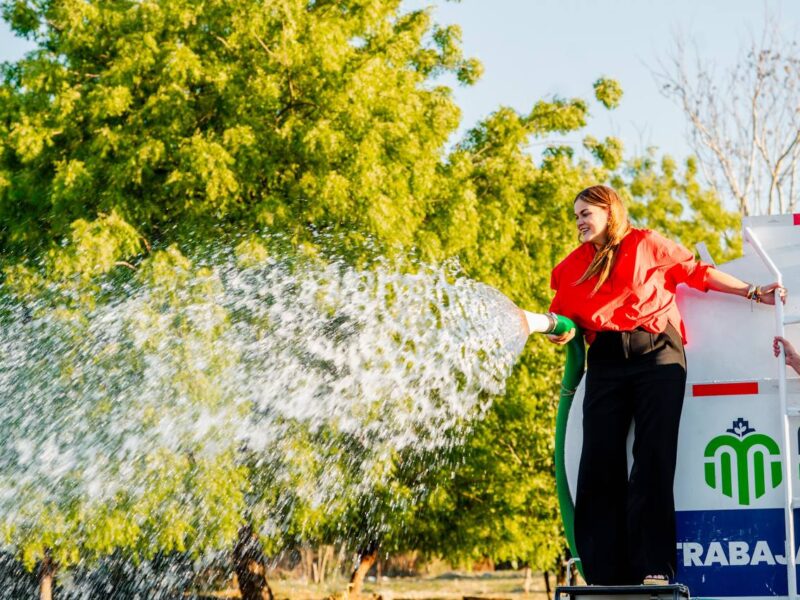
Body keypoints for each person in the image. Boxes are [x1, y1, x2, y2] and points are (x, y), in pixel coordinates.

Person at [547, 185, 785, 586]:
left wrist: (750, 291)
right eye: (576, 216)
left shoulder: (646, 244)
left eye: (587, 213)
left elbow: (697, 272)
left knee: (653, 460)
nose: (580, 222)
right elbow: (564, 321)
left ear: (610, 211)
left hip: (657, 352)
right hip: (604, 359)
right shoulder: (573, 267)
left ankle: (653, 569)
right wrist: (560, 334)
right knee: (597, 462)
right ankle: (604, 573)